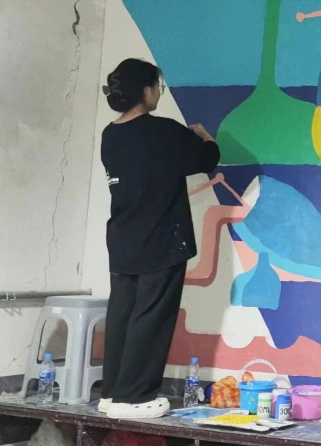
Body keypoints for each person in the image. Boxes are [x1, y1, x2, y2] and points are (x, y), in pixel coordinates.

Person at [97, 58, 220, 419]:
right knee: (151, 319)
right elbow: (205, 159)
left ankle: (112, 394)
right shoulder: (163, 130)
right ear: (146, 90)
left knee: (122, 317)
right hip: (160, 240)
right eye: (158, 86)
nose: (159, 93)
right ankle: (136, 397)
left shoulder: (110, 134)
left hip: (123, 239)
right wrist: (206, 137)